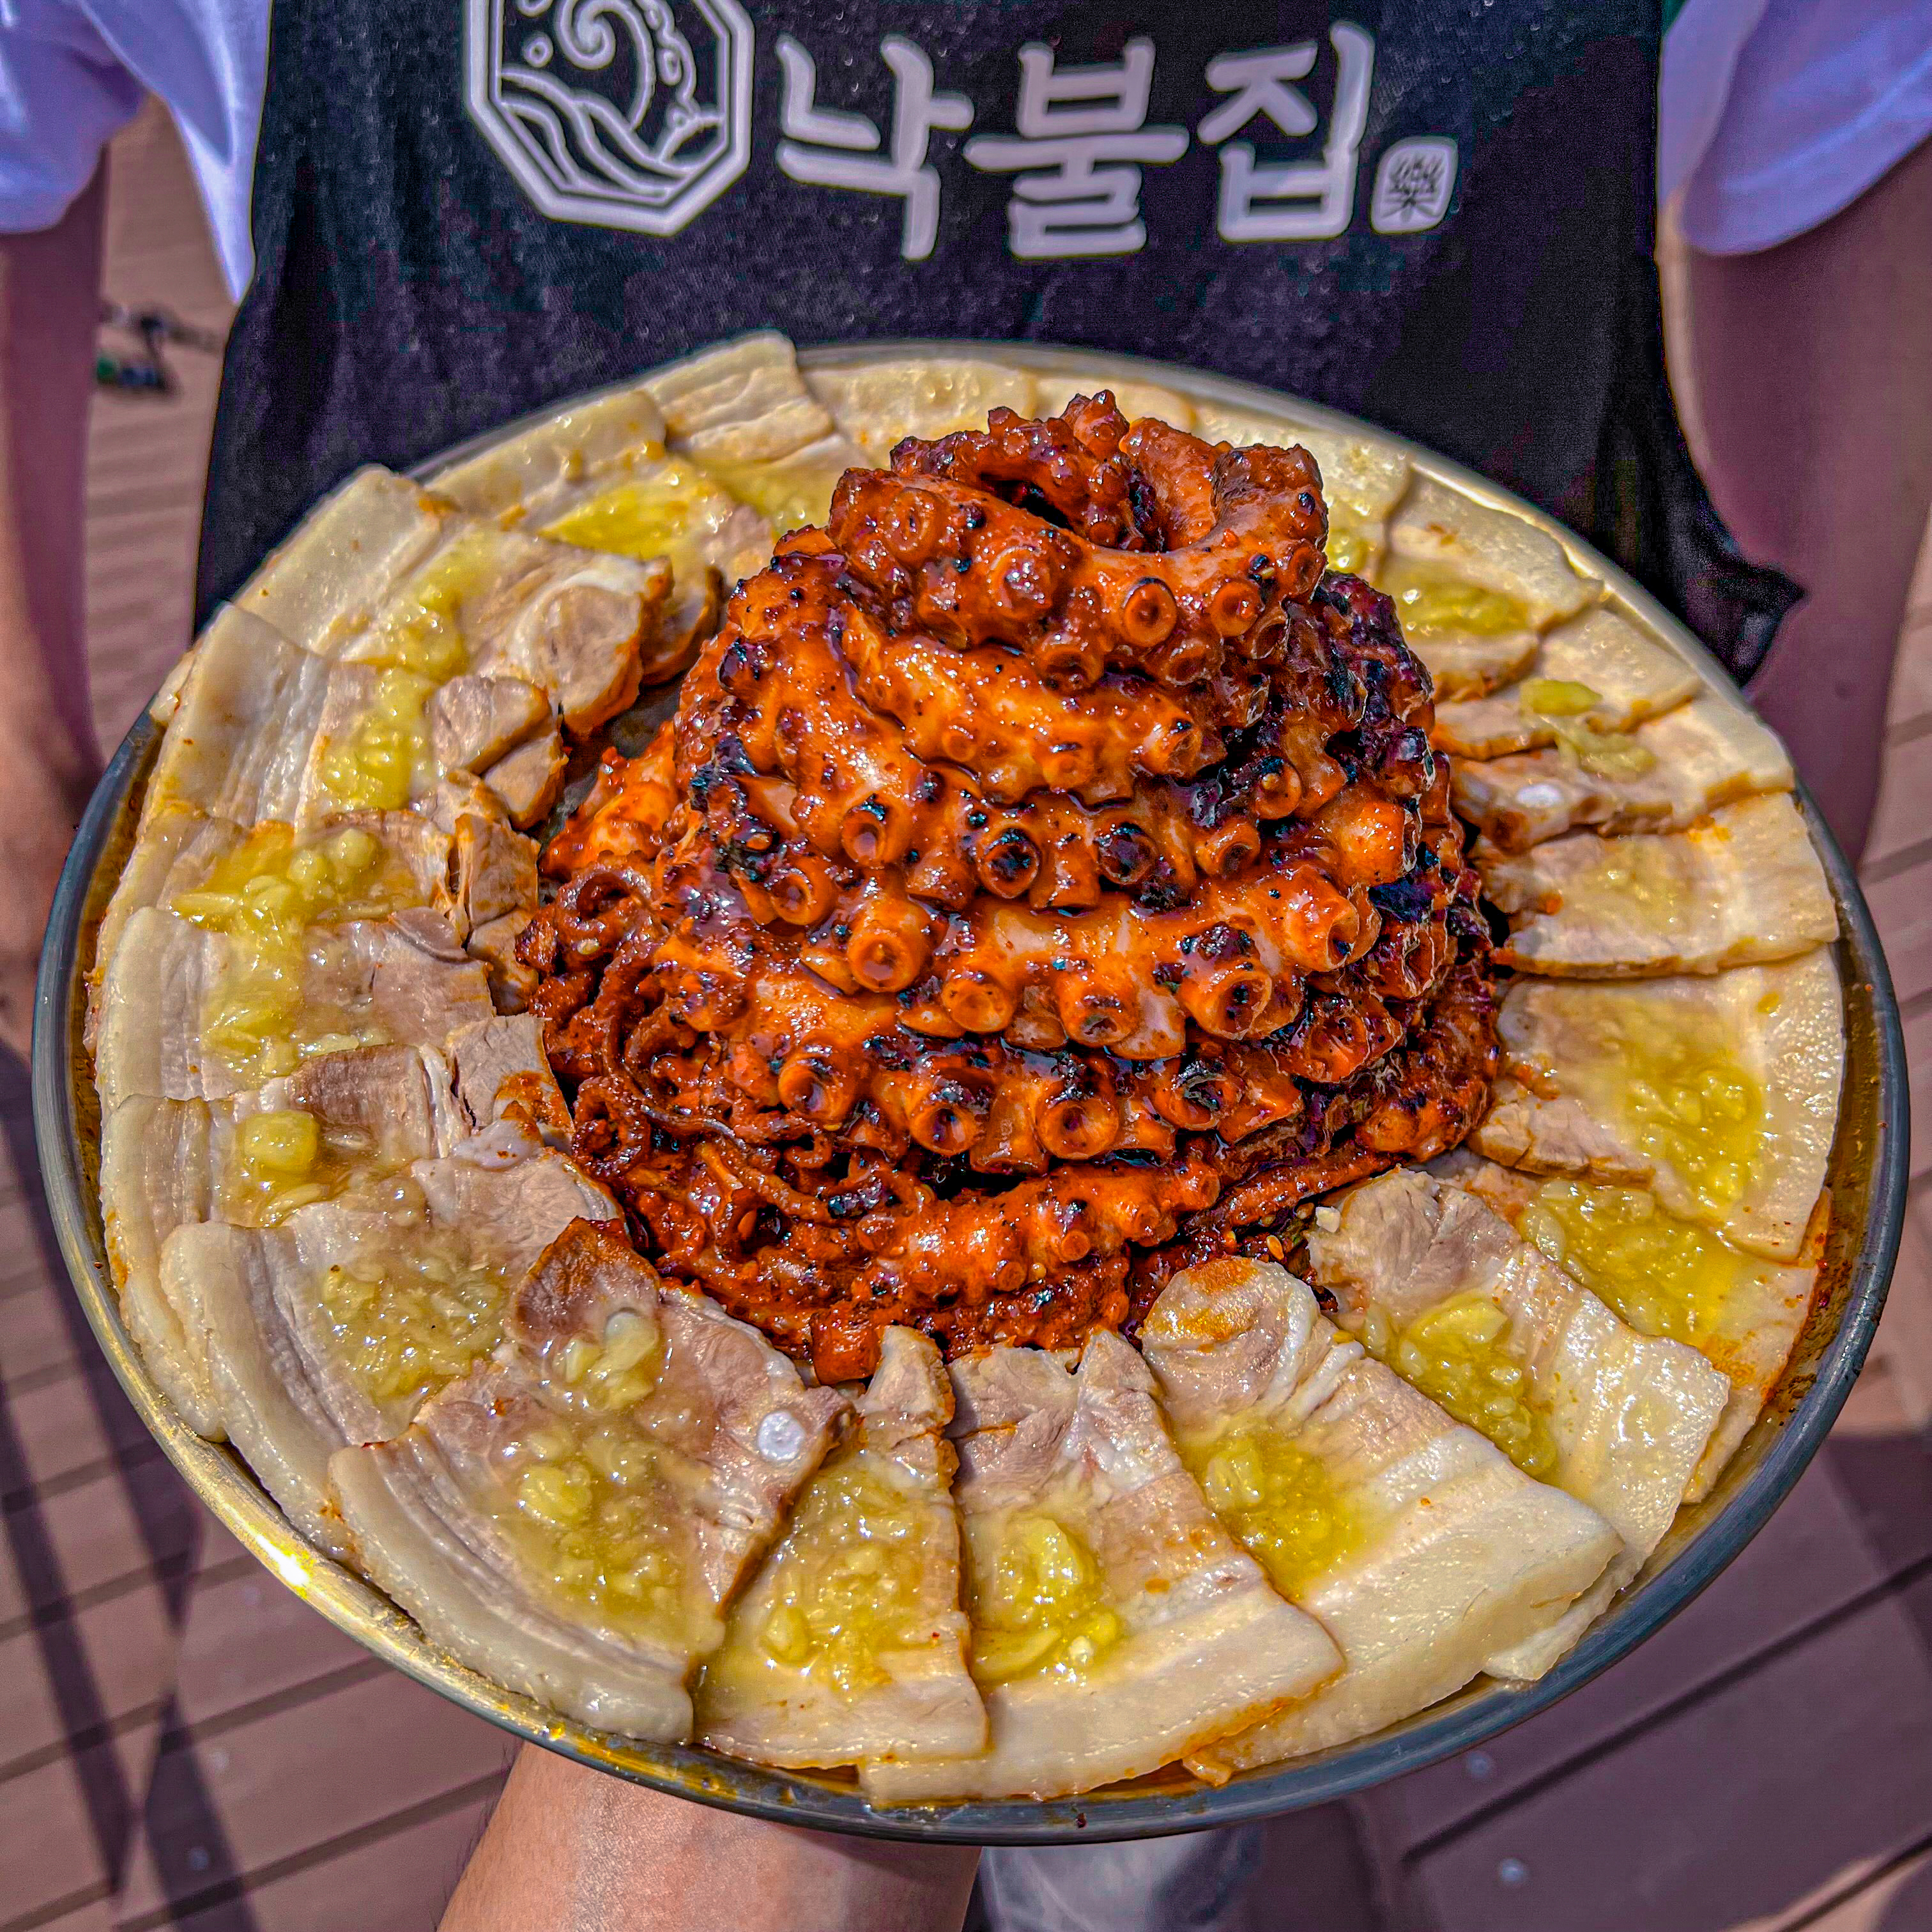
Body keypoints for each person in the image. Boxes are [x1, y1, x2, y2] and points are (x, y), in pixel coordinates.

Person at [1, 4, 1927, 1928]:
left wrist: (1800, 734)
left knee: (1168, 1786)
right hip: (613, 806)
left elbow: (1847, 111)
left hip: (1390, 875)